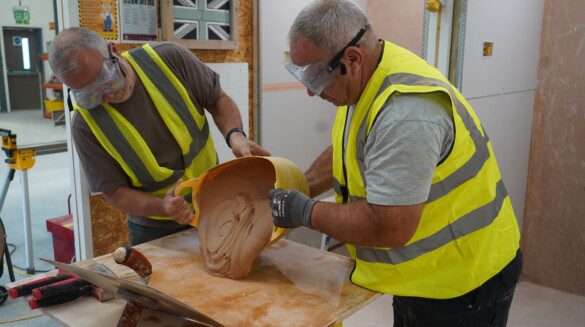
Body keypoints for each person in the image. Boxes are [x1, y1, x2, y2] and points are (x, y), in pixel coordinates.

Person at [268, 1, 521, 326]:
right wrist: (296, 185)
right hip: (422, 275)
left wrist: (305, 212)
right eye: (302, 75)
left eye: (315, 77)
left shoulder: (407, 111)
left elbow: (390, 225)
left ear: (352, 59)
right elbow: (349, 150)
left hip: (464, 279)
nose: (310, 92)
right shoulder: (366, 81)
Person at [49, 27, 270, 245]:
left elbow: (217, 98)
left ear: (114, 50)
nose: (106, 95)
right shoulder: (84, 125)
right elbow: (115, 193)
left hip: (215, 201)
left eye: (106, 79)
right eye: (90, 94)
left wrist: (236, 137)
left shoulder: (168, 58)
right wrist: (163, 207)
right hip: (154, 229)